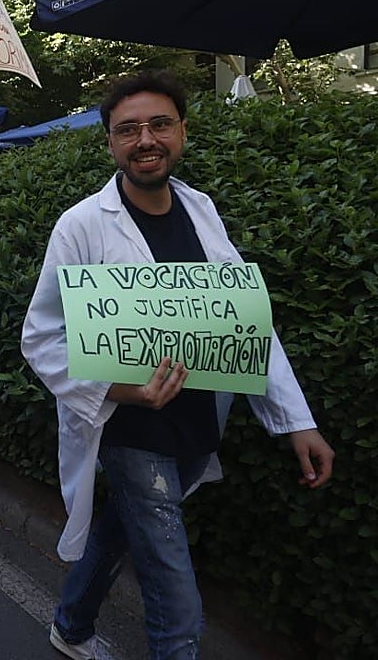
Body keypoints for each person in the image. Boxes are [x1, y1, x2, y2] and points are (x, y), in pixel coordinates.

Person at [20, 70, 335, 660]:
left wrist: (297, 422)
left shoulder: (201, 209)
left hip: (196, 425)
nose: (146, 139)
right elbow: (41, 339)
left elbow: (245, 321)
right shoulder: (82, 225)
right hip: (129, 431)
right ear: (110, 143)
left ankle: (71, 626)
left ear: (182, 132)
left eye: (160, 125)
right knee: (177, 604)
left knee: (120, 530)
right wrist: (123, 389)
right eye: (128, 129)